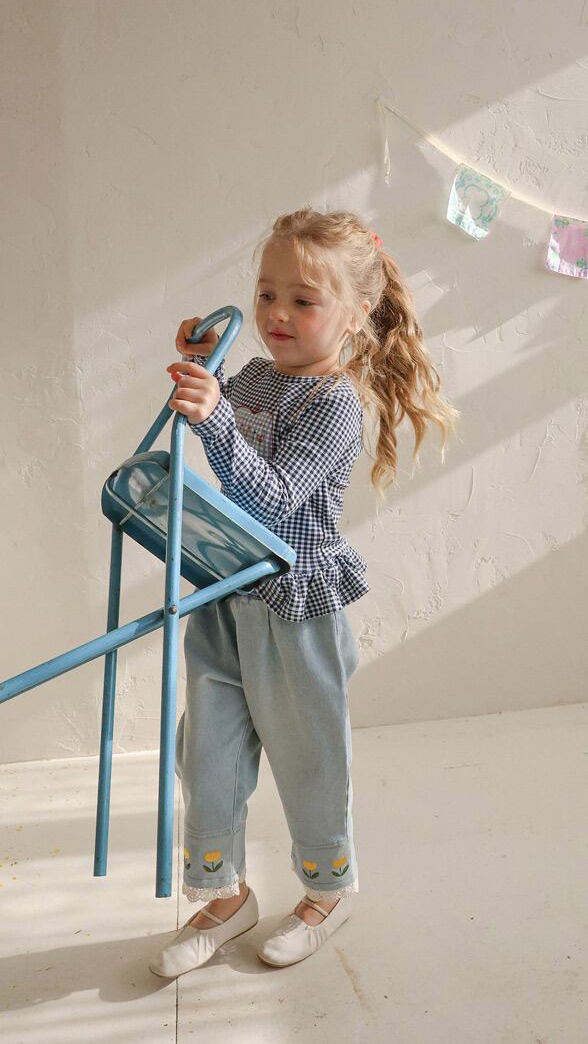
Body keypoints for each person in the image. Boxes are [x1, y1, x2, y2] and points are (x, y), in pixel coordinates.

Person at [148, 206, 460, 977]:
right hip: (229, 593)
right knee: (205, 754)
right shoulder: (257, 377)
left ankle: (328, 890)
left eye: (303, 300)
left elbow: (275, 499)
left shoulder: (334, 405)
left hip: (294, 608)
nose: (276, 314)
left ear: (355, 315)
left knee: (309, 761)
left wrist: (215, 420)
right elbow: (231, 438)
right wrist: (206, 369)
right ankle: (224, 895)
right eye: (266, 294)